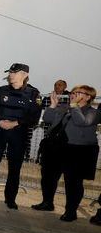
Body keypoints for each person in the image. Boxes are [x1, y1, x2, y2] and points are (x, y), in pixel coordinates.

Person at [32, 85, 100, 221]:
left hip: (77, 150)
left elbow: (82, 122)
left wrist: (74, 107)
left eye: (79, 93)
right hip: (56, 147)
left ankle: (71, 211)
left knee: (73, 182)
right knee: (48, 177)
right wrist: (53, 105)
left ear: (88, 97)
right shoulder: (64, 108)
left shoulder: (93, 112)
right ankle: (47, 202)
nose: (73, 94)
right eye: (73, 92)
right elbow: (48, 118)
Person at [0, 63, 41, 209]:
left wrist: (16, 123)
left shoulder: (33, 93)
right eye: (10, 72)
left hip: (18, 134)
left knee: (15, 168)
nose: (11, 75)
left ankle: (10, 199)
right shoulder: (0, 91)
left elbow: (34, 117)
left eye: (15, 72)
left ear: (25, 75)